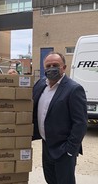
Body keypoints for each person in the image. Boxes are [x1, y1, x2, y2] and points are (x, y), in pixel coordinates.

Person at [32, 51, 88, 184]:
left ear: (64, 67)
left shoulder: (74, 89)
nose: (51, 68)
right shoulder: (40, 85)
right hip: (47, 146)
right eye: (48, 65)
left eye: (55, 65)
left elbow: (80, 123)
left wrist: (69, 150)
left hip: (64, 150)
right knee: (50, 180)